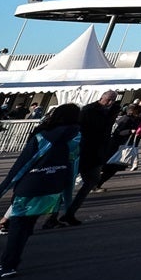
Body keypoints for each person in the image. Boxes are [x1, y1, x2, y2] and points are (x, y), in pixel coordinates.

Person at [0, 103, 81, 279]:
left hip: (31, 184)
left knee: (18, 226)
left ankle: (8, 264)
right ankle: (11, 261)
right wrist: (67, 197)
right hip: (53, 187)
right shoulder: (75, 138)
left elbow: (21, 164)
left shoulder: (43, 135)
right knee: (27, 225)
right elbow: (73, 167)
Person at [52, 90, 118, 225]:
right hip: (82, 151)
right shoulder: (88, 110)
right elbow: (79, 129)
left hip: (97, 153)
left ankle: (70, 213)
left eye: (113, 100)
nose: (110, 103)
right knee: (67, 184)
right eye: (108, 100)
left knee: (92, 181)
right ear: (101, 97)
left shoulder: (111, 111)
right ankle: (53, 217)